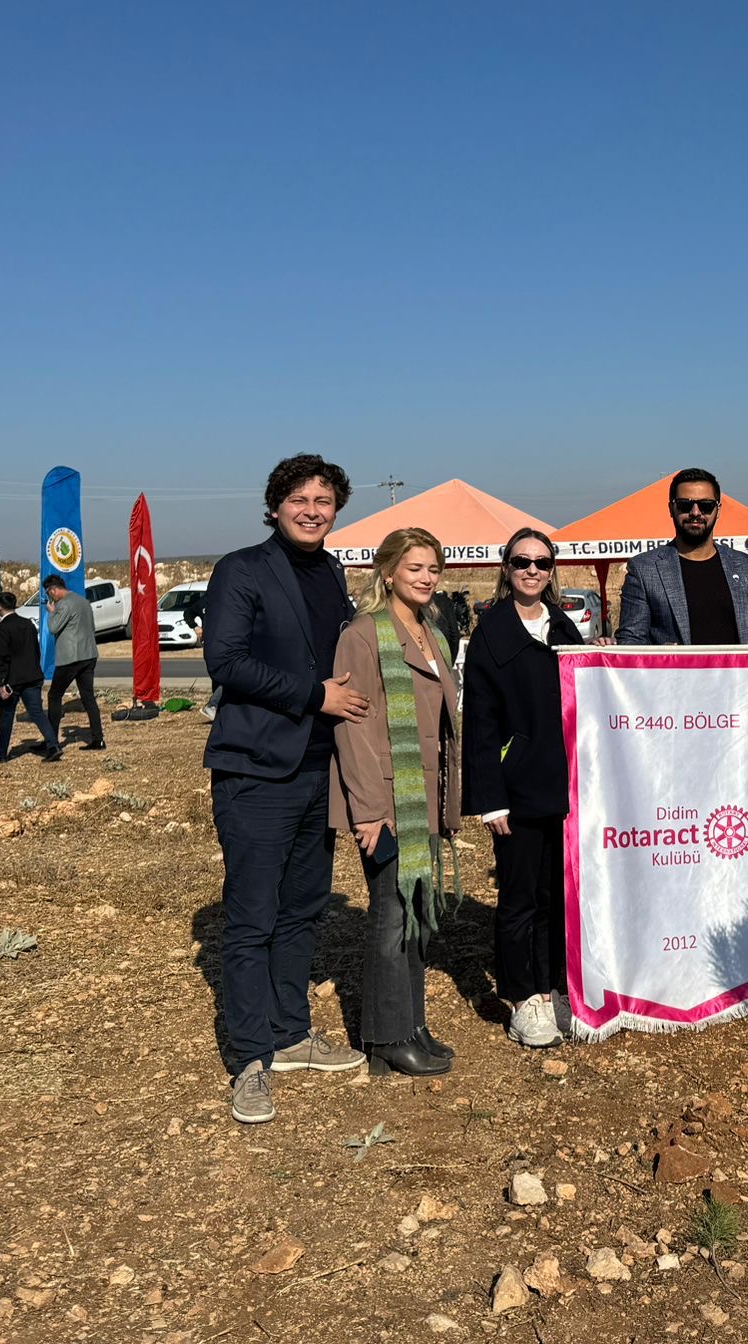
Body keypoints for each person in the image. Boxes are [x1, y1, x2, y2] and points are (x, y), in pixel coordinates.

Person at [204, 454, 372, 1124]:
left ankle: (291, 1033)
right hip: (256, 769)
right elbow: (226, 662)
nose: (312, 510)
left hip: (319, 770)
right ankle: (250, 1058)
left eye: (324, 501)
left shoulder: (332, 573)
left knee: (303, 909)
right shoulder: (241, 570)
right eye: (299, 499)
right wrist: (313, 695)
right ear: (274, 507)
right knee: (252, 917)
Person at [330, 528, 459, 1077]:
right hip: (386, 799)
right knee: (391, 914)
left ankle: (412, 1023)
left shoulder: (432, 632)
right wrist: (368, 809)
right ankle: (385, 1036)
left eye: (433, 568)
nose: (426, 578)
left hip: (424, 796)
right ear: (388, 573)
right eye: (414, 568)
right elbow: (352, 727)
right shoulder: (363, 635)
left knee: (418, 913)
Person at [460, 527, 585, 1049]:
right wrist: (490, 800)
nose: (532, 570)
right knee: (518, 897)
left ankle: (551, 986)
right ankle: (521, 997)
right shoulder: (490, 634)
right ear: (506, 568)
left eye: (541, 562)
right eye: (521, 562)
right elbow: (480, 724)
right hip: (516, 790)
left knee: (556, 895)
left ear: (552, 570)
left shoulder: (565, 628)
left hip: (566, 788)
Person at [614, 469, 748, 645]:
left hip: (734, 665)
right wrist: (660, 653)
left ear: (718, 510)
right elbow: (631, 641)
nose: (695, 512)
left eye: (706, 505)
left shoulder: (744, 566)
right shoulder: (644, 569)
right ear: (671, 509)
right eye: (685, 505)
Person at [0, 591, 58, 761]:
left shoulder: (2, 628)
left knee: (6, 717)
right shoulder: (28, 624)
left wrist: (1, 682)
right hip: (32, 675)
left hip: (12, 680)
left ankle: (0, 754)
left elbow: (1, 657)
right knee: (37, 713)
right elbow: (35, 649)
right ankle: (53, 745)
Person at [42, 575, 105, 752]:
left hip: (70, 658)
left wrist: (51, 612)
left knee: (54, 695)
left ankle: (51, 741)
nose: (50, 597)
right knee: (88, 697)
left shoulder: (63, 604)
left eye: (49, 593)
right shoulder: (83, 601)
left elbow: (53, 627)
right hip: (88, 654)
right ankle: (98, 738)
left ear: (53, 590)